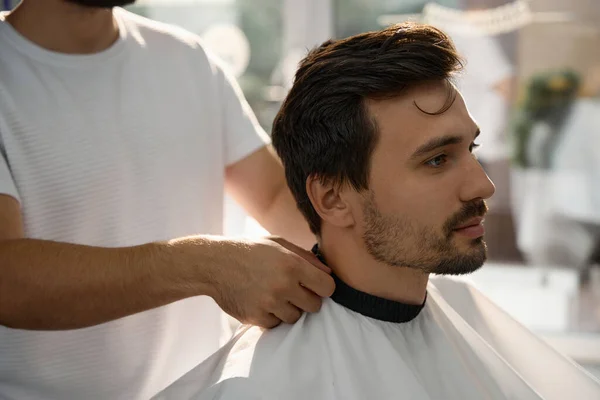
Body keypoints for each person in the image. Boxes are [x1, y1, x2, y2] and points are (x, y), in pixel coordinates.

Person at [153, 23, 600, 400]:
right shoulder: (257, 385)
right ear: (332, 199)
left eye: (471, 149)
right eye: (437, 160)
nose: (484, 185)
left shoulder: (460, 316)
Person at [0, 0, 335, 399]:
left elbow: (274, 194)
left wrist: (379, 223)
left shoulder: (187, 60)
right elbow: (9, 278)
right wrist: (204, 264)